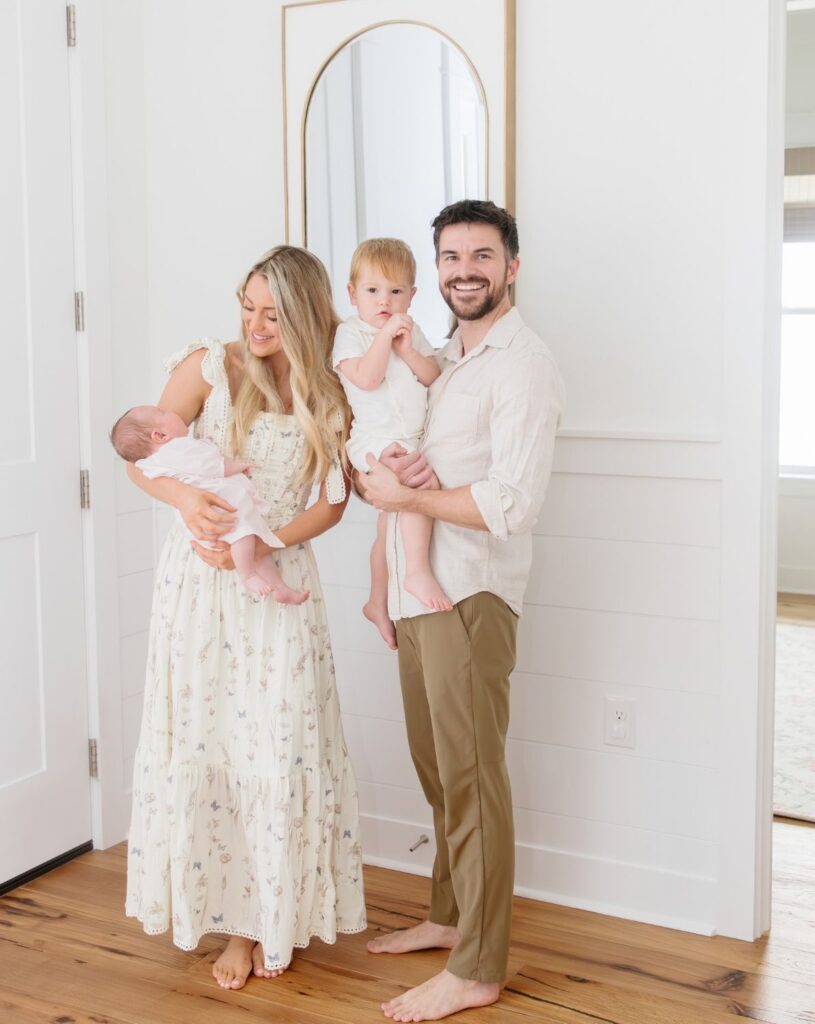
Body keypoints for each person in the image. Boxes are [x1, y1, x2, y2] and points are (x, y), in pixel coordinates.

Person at [124, 246, 367, 992]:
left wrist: (267, 541)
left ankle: (272, 916)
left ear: (302, 313)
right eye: (247, 306)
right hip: (198, 586)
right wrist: (188, 503)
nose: (255, 324)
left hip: (275, 580)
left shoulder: (330, 387)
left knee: (277, 744)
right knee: (212, 738)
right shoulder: (207, 366)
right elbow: (141, 452)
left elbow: (331, 502)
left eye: (272, 312)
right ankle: (233, 923)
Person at [360, 200, 565, 1022]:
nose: (464, 270)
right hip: (420, 593)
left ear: (511, 267)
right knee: (438, 768)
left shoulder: (523, 364)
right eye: (450, 257)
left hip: (471, 594)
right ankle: (448, 917)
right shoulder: (440, 357)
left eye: (482, 255)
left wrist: (405, 493)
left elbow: (512, 502)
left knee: (473, 779)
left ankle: (479, 966)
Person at [332, 238, 451, 651]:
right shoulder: (351, 333)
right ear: (352, 294)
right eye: (372, 291)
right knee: (417, 486)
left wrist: (405, 346)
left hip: (411, 438)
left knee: (388, 527)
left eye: (396, 291)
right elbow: (366, 378)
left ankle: (377, 601)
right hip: (376, 441)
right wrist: (384, 338)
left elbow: (432, 375)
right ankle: (416, 569)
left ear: (412, 296)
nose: (385, 300)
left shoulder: (409, 331)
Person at [110, 405, 307, 602]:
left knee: (251, 544)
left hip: (202, 521)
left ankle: (280, 588)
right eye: (163, 412)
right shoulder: (176, 450)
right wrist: (238, 466)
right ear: (160, 435)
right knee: (246, 537)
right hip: (217, 510)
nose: (171, 410)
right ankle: (248, 576)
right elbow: (209, 466)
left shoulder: (152, 461)